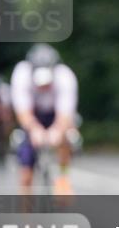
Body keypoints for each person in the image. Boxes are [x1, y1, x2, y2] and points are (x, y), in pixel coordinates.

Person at [10, 44, 80, 196]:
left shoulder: (65, 76)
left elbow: (65, 114)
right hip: (33, 115)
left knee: (68, 136)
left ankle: (63, 177)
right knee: (26, 174)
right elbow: (23, 112)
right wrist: (34, 129)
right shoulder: (22, 74)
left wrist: (57, 131)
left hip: (55, 114)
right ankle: (26, 208)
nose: (43, 87)